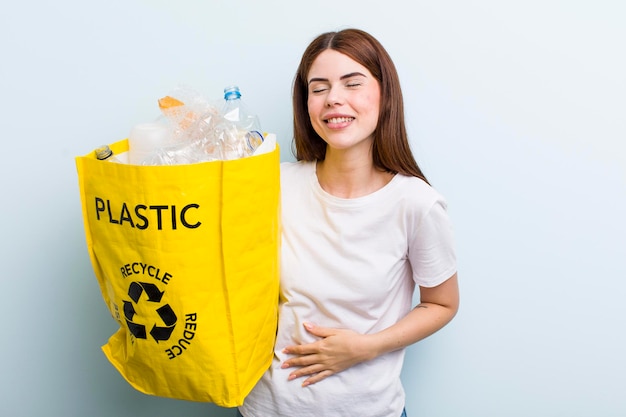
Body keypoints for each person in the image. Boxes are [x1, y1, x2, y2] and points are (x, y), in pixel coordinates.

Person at [238, 28, 459, 417]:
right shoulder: (274, 184)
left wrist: (367, 346)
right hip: (264, 408)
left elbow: (441, 303)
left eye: (352, 83)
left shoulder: (415, 203)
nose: (333, 98)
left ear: (384, 94)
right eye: (318, 88)